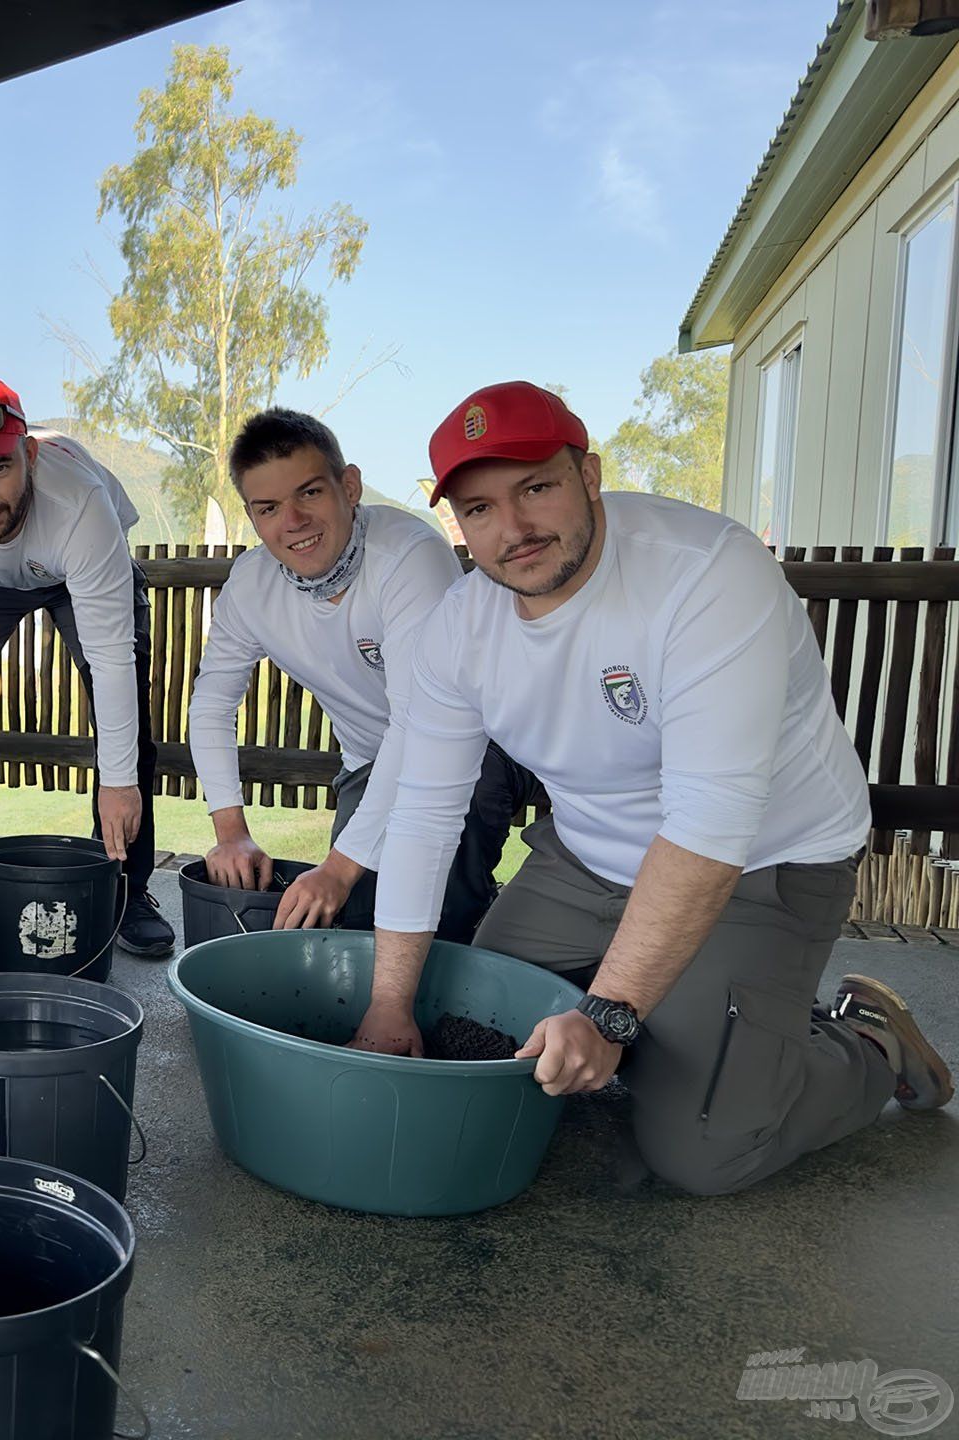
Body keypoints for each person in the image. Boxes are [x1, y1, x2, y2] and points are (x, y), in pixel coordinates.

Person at [356, 380, 951, 1195]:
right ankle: (714, 1026)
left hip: (762, 863)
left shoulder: (706, 573)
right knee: (477, 1042)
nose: (515, 529)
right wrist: (390, 1005)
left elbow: (711, 822)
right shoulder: (459, 627)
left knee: (700, 1154)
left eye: (536, 487)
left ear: (589, 475)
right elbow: (426, 810)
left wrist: (608, 1014)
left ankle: (865, 1046)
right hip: (585, 856)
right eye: (480, 507)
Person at [189, 408, 531, 941]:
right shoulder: (251, 586)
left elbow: (420, 722)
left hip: (481, 746)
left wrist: (338, 867)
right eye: (269, 508)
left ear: (349, 487)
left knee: (431, 919)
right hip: (371, 761)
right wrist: (230, 830)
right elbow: (211, 705)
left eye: (310, 493)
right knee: (352, 923)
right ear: (253, 518)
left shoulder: (409, 557)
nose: (293, 521)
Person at [0, 370, 174, 957]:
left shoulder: (81, 503)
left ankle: (126, 889)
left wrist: (118, 783)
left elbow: (111, 661)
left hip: (77, 575)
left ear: (30, 453)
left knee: (125, 724)